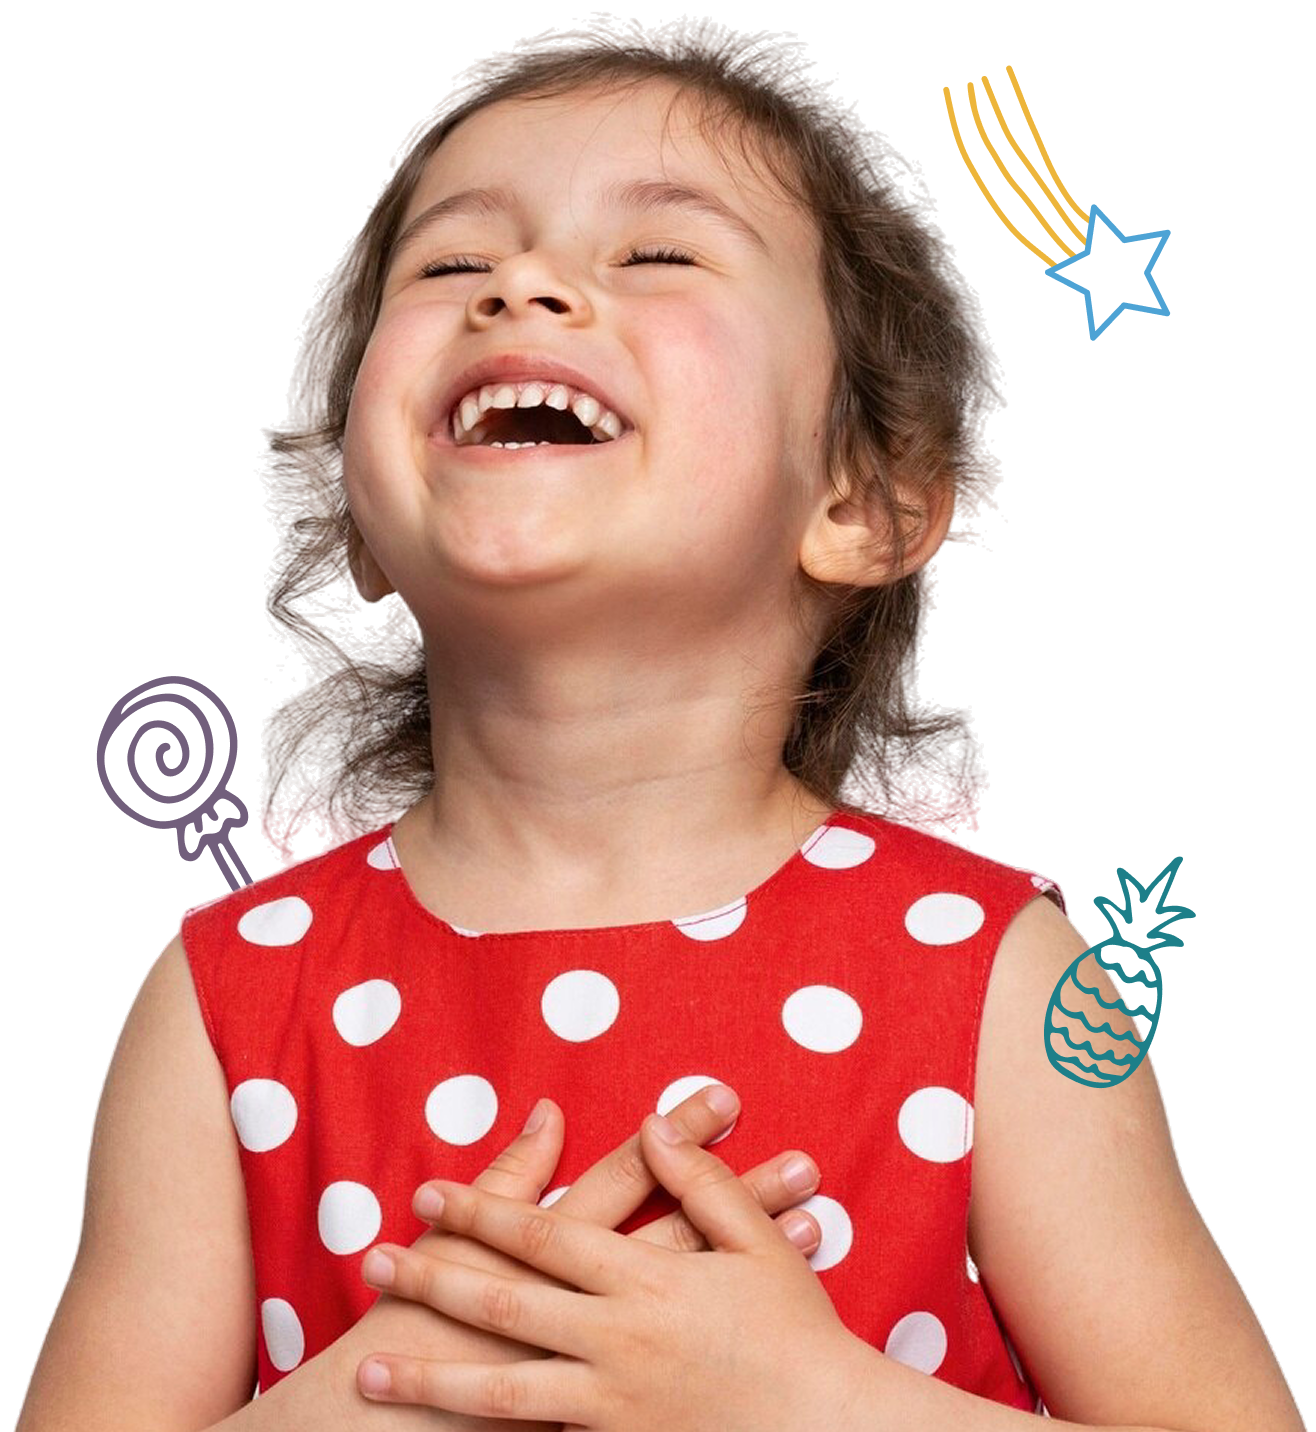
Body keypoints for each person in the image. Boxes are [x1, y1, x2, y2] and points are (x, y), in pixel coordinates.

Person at [18, 19, 1304, 1432]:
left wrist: (814, 1404)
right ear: (360, 520)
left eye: (659, 255)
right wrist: (363, 1402)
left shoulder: (996, 976)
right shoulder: (225, 999)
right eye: (450, 264)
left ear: (864, 504)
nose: (521, 285)